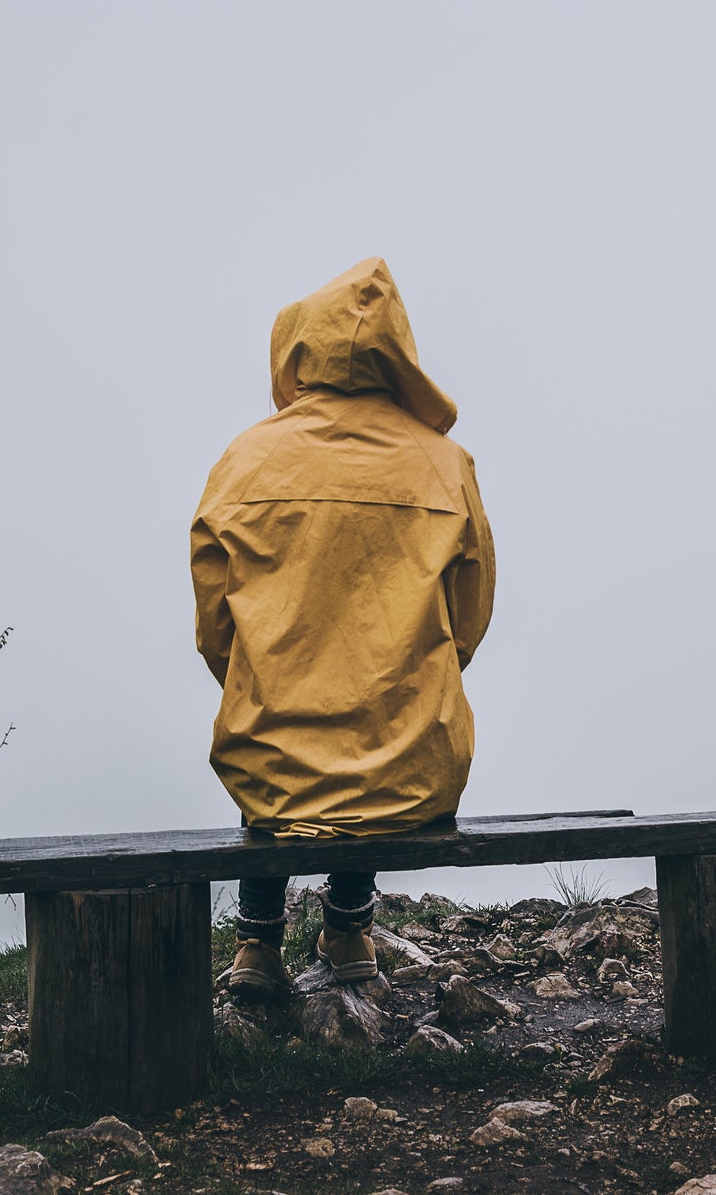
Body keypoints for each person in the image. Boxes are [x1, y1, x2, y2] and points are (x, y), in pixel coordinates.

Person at [190, 257, 495, 997]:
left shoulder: (245, 461)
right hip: (410, 768)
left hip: (270, 761)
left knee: (275, 729)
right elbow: (469, 618)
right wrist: (404, 673)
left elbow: (214, 627)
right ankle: (350, 926)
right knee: (381, 721)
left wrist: (268, 674)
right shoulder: (446, 465)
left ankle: (257, 947)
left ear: (297, 349)